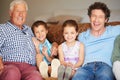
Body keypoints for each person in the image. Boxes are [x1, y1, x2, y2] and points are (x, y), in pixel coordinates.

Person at [72, 2, 120, 80]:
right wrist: (54, 44)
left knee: (105, 77)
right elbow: (67, 43)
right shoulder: (82, 36)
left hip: (105, 67)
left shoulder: (114, 30)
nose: (96, 20)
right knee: (77, 77)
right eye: (94, 16)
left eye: (100, 17)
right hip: (86, 67)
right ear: (89, 17)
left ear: (106, 20)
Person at [0, 0, 43, 80]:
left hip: (29, 67)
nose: (21, 14)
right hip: (10, 65)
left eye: (23, 12)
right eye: (18, 11)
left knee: (36, 77)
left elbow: (42, 41)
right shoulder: (2, 28)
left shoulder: (29, 29)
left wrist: (54, 44)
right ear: (10, 13)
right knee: (13, 72)